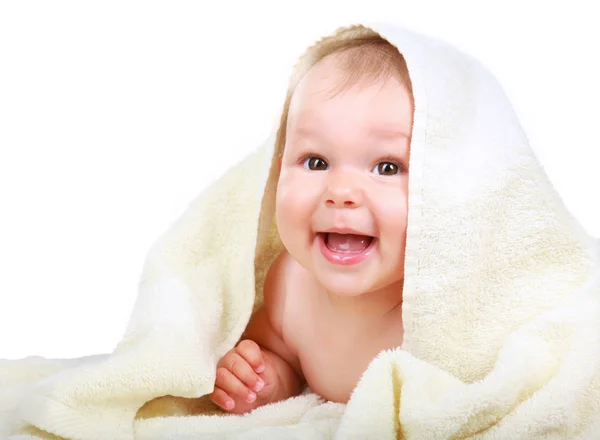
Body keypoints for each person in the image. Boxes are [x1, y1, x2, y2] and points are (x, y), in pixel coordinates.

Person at [208, 26, 413, 415]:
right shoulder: (290, 285)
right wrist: (262, 380)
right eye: (316, 162)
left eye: (387, 167)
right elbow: (283, 358)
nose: (341, 192)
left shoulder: (446, 303)